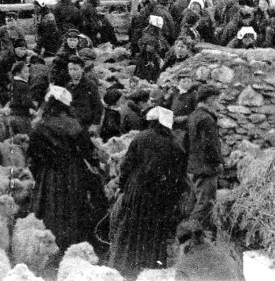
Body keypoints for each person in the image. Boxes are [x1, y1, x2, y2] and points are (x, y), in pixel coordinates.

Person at [109, 107, 188, 280]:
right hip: (160, 198)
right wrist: (172, 200)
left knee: (130, 230)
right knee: (153, 234)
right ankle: (150, 270)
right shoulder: (176, 145)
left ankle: (124, 269)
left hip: (136, 192)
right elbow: (180, 180)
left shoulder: (140, 137)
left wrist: (122, 187)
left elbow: (126, 166)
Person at [27, 86, 105, 254]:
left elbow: (32, 156)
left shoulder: (40, 126)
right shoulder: (74, 125)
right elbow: (88, 151)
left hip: (48, 174)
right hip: (72, 173)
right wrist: (96, 166)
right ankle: (71, 245)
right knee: (73, 207)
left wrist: (39, 173)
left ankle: (50, 245)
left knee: (49, 207)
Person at [184, 85, 224, 237]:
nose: (218, 104)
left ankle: (192, 233)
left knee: (195, 201)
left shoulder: (193, 116)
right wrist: (218, 163)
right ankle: (191, 236)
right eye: (217, 100)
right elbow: (210, 145)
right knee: (205, 203)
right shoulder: (207, 119)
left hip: (194, 166)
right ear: (210, 100)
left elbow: (187, 142)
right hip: (206, 168)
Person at [66, 56, 102, 128]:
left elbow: (97, 105)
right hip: (71, 123)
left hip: (86, 123)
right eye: (70, 69)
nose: (72, 72)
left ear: (82, 69)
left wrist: (95, 124)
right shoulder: (68, 85)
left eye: (76, 69)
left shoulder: (90, 85)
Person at [9, 60, 34, 136]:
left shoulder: (13, 83)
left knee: (15, 142)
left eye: (28, 72)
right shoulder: (24, 85)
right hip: (22, 117)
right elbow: (26, 102)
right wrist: (34, 106)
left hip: (12, 116)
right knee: (27, 140)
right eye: (25, 72)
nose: (28, 74)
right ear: (18, 73)